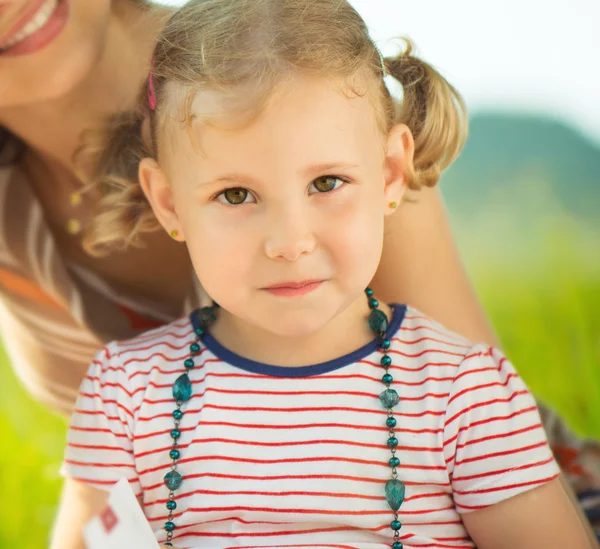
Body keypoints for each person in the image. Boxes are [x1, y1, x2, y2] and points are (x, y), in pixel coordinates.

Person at [48, 1, 597, 547]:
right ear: (168, 202)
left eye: (327, 183)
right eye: (235, 194)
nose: (290, 242)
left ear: (389, 174)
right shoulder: (125, 396)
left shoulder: (462, 391)